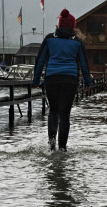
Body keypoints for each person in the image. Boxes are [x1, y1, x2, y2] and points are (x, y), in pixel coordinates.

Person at [33, 8, 91, 152]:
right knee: (65, 115)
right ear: (73, 26)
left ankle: (51, 146)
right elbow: (84, 63)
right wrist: (88, 82)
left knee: (53, 111)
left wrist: (36, 80)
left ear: (59, 25)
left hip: (51, 78)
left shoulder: (49, 38)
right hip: (70, 80)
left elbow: (40, 60)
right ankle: (63, 149)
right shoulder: (77, 42)